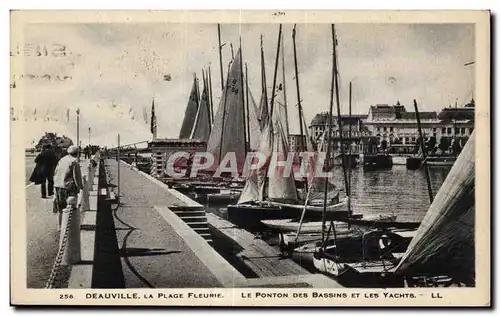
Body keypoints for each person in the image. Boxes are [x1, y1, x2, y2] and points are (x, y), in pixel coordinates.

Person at [53, 145, 83, 227]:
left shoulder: (62, 160)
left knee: (61, 208)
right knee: (71, 208)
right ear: (77, 153)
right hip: (68, 188)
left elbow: (55, 172)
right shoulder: (74, 161)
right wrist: (80, 186)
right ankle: (71, 227)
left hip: (58, 186)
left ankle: (60, 226)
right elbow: (77, 177)